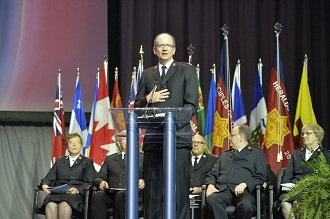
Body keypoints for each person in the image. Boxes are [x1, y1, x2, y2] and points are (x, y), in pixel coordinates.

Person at [134, 32, 199, 219]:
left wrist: (169, 123)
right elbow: (137, 107)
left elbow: (191, 106)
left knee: (178, 193)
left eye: (168, 46)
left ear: (174, 49)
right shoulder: (147, 74)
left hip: (177, 139)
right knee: (153, 194)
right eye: (160, 45)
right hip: (154, 142)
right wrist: (148, 98)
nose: (164, 48)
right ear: (154, 50)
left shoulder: (186, 71)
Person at [205, 125, 266, 219]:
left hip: (244, 193)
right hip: (223, 191)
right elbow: (212, 174)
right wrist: (210, 185)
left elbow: (260, 176)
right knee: (212, 199)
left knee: (246, 207)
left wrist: (245, 184)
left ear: (241, 137)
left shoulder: (256, 154)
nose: (229, 138)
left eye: (232, 135)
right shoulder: (225, 155)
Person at [40, 133, 95, 219]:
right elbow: (47, 179)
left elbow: (90, 182)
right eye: (71, 142)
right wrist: (45, 186)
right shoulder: (60, 162)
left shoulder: (87, 162)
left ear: (81, 145)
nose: (74, 144)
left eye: (77, 142)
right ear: (67, 146)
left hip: (75, 196)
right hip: (58, 194)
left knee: (64, 204)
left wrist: (77, 190)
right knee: (50, 204)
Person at [280, 123, 330, 219]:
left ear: (317, 136)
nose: (304, 136)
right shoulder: (297, 153)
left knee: (298, 203)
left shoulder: (326, 155)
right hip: (294, 189)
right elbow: (287, 175)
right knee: (284, 202)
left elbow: (325, 177)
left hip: (313, 190)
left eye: (308, 133)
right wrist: (286, 186)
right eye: (303, 134)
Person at [91, 130, 144, 219]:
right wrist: (101, 182)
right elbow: (97, 178)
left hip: (134, 195)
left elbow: (152, 178)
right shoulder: (110, 159)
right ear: (119, 143)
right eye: (125, 138)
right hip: (112, 194)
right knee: (98, 196)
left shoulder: (143, 158)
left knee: (121, 195)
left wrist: (144, 181)